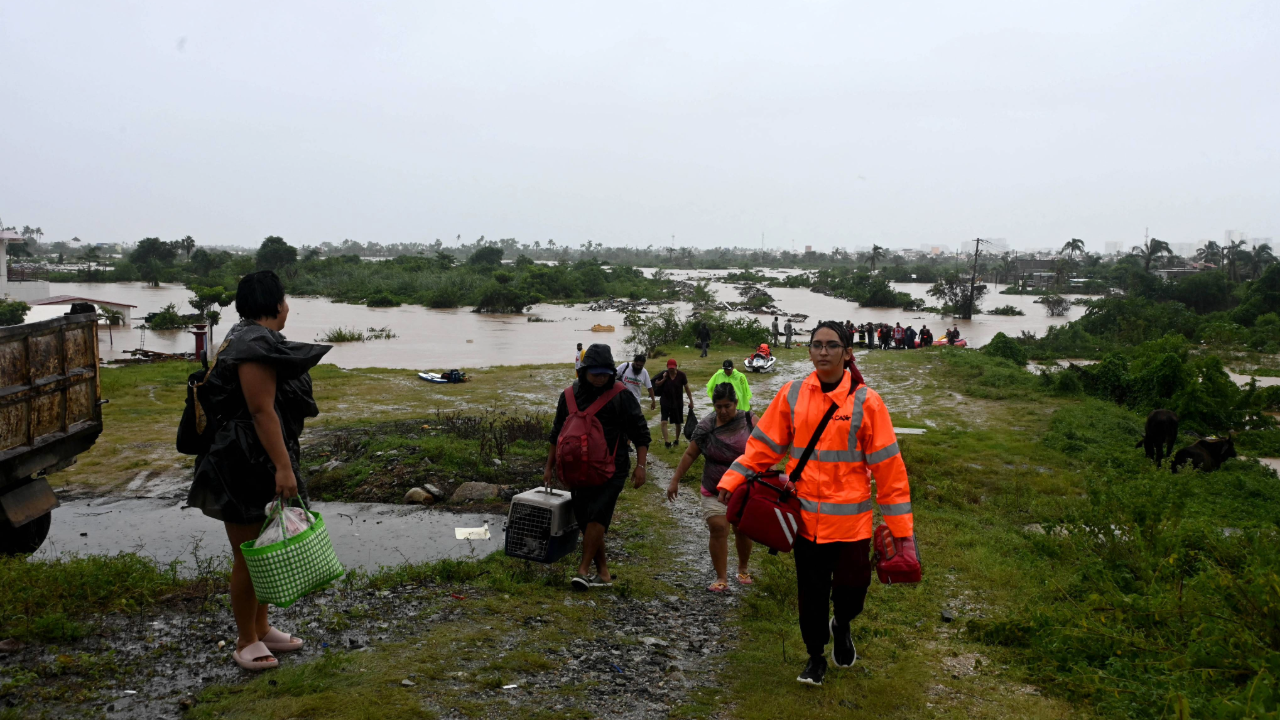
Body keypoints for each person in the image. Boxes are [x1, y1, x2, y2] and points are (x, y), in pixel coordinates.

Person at [717, 320, 913, 687]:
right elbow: (763, 447)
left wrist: (901, 530)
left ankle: (842, 624)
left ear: (847, 352)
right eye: (816, 345)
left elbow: (889, 469)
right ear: (809, 350)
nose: (823, 351)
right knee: (811, 595)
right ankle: (814, 657)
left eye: (832, 345)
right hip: (804, 520)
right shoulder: (792, 394)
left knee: (852, 592)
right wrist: (733, 477)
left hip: (852, 525)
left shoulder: (867, 402)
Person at [186, 270, 331, 671]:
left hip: (256, 458)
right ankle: (245, 639)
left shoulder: (246, 335)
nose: (288, 307)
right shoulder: (253, 348)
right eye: (285, 300)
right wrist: (283, 469)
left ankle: (263, 627)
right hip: (243, 463)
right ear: (276, 304)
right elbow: (261, 411)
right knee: (248, 555)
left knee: (265, 548)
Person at [546, 344, 651, 590]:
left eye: (605, 373)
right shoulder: (569, 395)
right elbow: (555, 433)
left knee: (597, 516)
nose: (601, 378)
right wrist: (549, 467)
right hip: (577, 470)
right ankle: (603, 574)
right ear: (584, 371)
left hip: (613, 469)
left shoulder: (621, 395)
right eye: (595, 373)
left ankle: (582, 570)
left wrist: (641, 466)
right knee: (586, 521)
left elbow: (641, 433)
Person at [666, 383, 755, 592]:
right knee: (718, 528)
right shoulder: (706, 426)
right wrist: (675, 480)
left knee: (742, 530)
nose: (723, 411)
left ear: (736, 403)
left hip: (744, 488)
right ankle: (721, 577)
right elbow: (690, 454)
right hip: (714, 487)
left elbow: (766, 448)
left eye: (727, 406)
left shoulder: (750, 421)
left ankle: (743, 568)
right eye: (718, 407)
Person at [653, 358, 694, 448]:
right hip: (665, 401)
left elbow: (687, 388)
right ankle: (667, 442)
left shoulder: (682, 375)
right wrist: (664, 378)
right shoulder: (664, 374)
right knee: (664, 421)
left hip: (677, 402)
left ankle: (676, 439)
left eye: (673, 368)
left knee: (678, 422)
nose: (671, 369)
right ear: (667, 367)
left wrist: (691, 401)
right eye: (669, 368)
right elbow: (657, 384)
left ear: (676, 367)